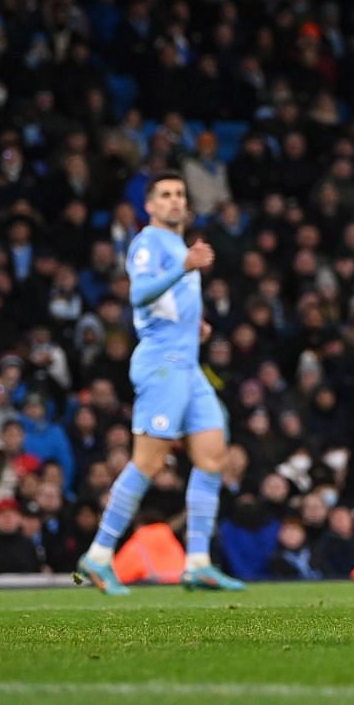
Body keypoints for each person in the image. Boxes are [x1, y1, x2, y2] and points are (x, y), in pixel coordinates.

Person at [74, 172, 244, 594]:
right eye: (165, 195)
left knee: (212, 456)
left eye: (180, 195)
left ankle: (198, 562)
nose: (174, 201)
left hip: (188, 364)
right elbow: (139, 295)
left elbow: (166, 302)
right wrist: (185, 267)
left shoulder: (178, 246)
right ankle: (97, 556)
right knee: (147, 462)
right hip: (162, 365)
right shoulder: (148, 242)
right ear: (149, 205)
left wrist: (195, 325)